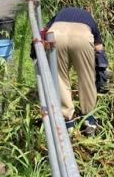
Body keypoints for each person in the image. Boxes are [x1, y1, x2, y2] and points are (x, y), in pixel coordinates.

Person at [39, 7, 108, 135]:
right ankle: (88, 118)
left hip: (56, 35)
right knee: (86, 77)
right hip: (81, 37)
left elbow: (44, 30)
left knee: (59, 77)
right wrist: (102, 69)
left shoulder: (60, 13)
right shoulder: (89, 18)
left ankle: (67, 121)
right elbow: (99, 47)